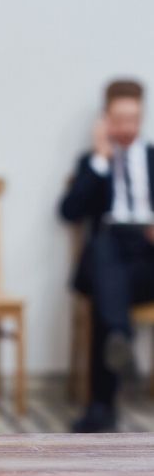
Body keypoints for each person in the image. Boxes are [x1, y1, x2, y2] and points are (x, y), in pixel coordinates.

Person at [61, 79, 154, 432]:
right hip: (108, 254)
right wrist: (100, 159)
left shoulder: (153, 158)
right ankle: (119, 339)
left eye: (134, 119)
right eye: (120, 120)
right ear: (105, 120)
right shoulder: (91, 162)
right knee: (103, 250)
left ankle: (101, 407)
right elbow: (69, 213)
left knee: (108, 295)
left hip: (147, 257)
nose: (127, 128)